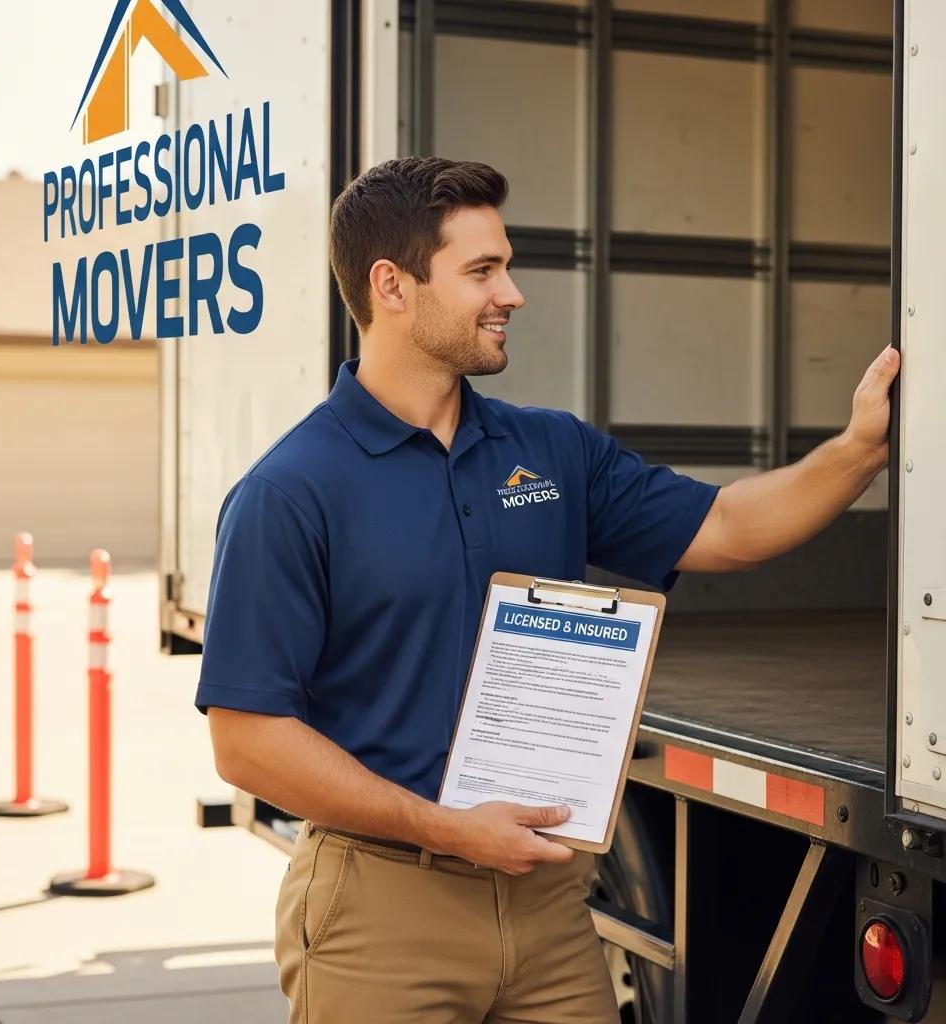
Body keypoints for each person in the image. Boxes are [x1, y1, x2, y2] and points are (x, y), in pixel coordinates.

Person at [194, 157, 898, 1023]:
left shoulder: (552, 453)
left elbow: (726, 527)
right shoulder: (291, 491)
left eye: (508, 266)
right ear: (393, 287)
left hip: (552, 912)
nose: (513, 294)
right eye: (482, 270)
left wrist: (861, 449)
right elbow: (248, 742)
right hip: (381, 913)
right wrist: (449, 828)